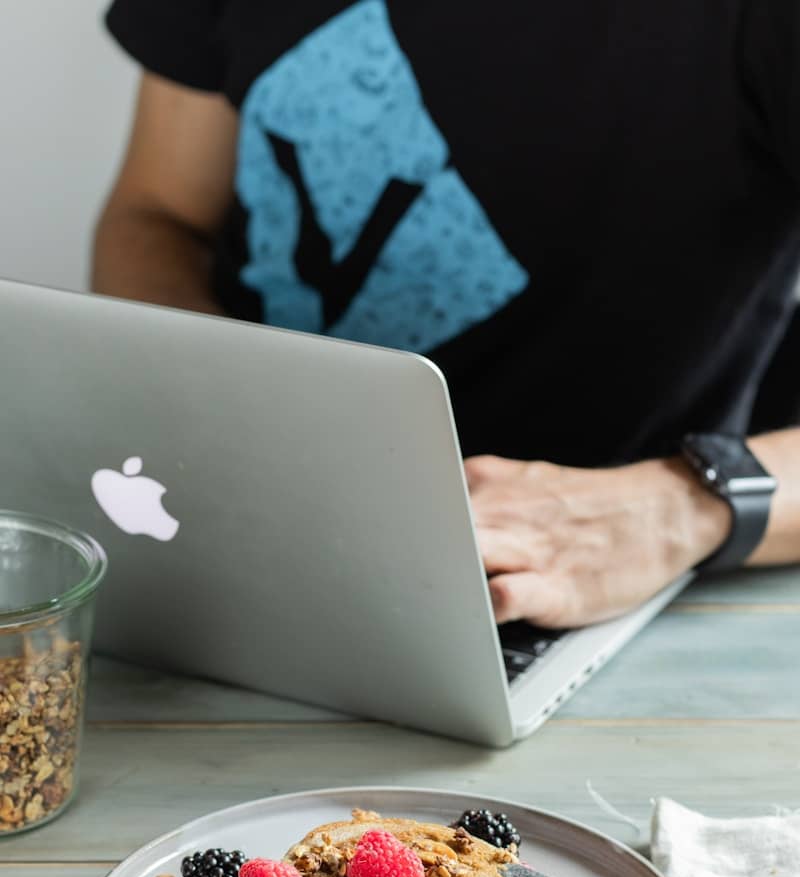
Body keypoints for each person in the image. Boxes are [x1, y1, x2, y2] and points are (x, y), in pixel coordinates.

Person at [94, 1, 800, 629]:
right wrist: (205, 406)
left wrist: (675, 509)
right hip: (237, 541)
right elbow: (158, 214)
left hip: (585, 597)